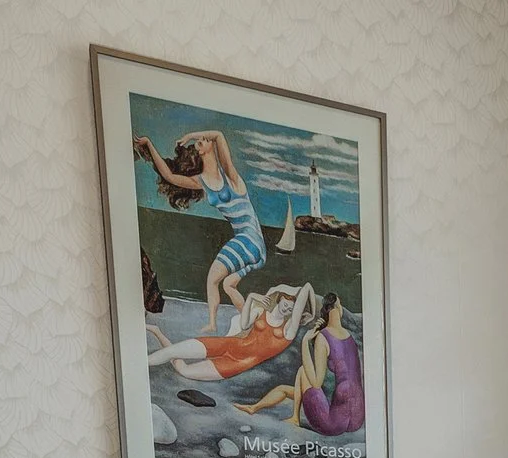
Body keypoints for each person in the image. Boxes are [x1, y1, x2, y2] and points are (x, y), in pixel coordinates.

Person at [133, 129, 268, 331]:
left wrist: (190, 136)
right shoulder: (200, 182)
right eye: (200, 141)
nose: (203, 140)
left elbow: (219, 135)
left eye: (204, 140)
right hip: (254, 245)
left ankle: (213, 324)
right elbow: (169, 175)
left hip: (250, 239)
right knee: (228, 285)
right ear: (201, 152)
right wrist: (149, 143)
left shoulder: (230, 176)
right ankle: (254, 326)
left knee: (212, 279)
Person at [235, 293, 363, 436]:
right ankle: (255, 407)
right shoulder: (349, 337)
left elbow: (315, 383)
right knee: (287, 389)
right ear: (338, 308)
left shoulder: (323, 336)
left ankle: (294, 417)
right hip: (356, 419)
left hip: (332, 425)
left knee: (303, 371)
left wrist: (305, 342)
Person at [145, 284, 317, 382]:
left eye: (292, 307)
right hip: (229, 344)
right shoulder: (262, 313)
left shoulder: (289, 329)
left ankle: (158, 333)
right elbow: (244, 324)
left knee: (184, 371)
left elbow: (307, 287)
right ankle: (138, 365)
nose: (287, 307)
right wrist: (251, 297)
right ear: (279, 299)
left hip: (238, 362)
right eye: (285, 302)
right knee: (171, 352)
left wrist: (311, 310)